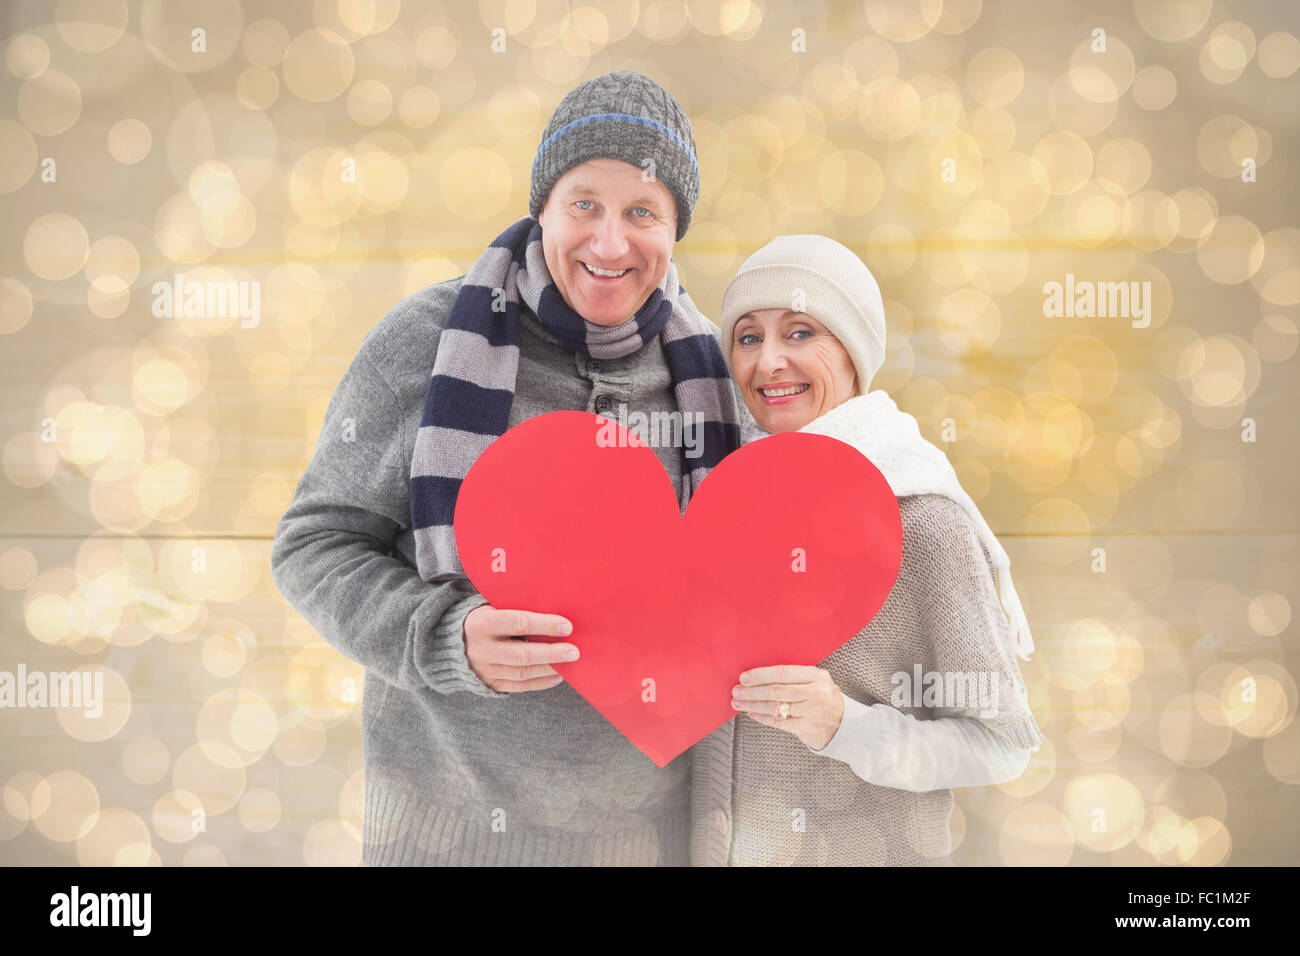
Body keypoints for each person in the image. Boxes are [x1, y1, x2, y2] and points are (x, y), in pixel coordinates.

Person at [270, 71, 749, 866]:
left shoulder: (708, 378)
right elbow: (313, 547)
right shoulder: (426, 341)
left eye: (642, 213)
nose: (608, 243)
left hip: (649, 839)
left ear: (675, 230)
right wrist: (445, 636)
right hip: (447, 834)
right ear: (543, 207)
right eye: (583, 204)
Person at [689, 235, 1045, 866]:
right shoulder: (723, 504)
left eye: (800, 333)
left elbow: (1003, 742)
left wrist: (842, 725)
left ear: (852, 352)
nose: (769, 361)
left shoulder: (923, 519)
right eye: (748, 337)